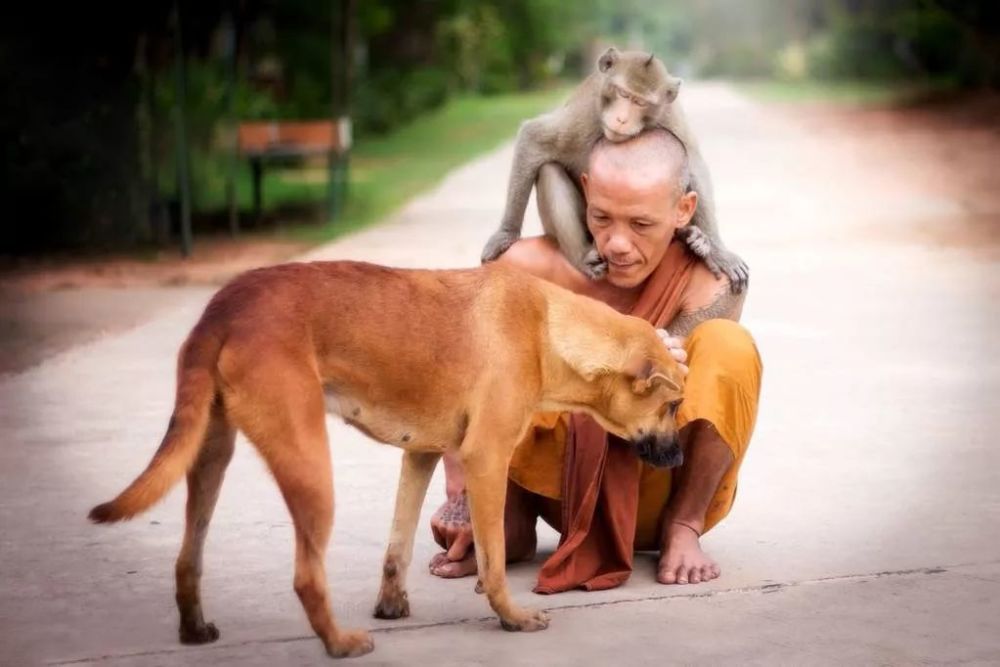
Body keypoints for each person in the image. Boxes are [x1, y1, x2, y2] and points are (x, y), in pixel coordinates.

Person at [429, 128, 762, 591]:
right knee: (498, 348)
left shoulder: (708, 284)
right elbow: (453, 368)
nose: (617, 243)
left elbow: (694, 397)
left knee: (731, 346)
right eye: (602, 217)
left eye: (641, 225)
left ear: (684, 210)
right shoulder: (526, 267)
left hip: (656, 484)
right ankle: (508, 520)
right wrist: (463, 495)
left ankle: (683, 527)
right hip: (549, 488)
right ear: (584, 190)